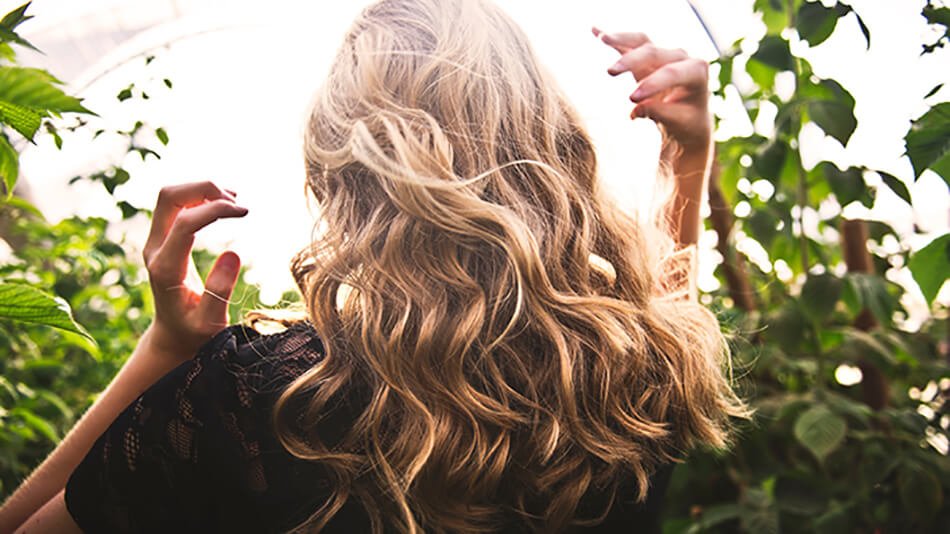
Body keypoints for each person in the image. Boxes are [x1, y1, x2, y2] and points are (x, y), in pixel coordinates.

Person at [0, 0, 747, 531]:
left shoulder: (258, 400)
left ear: (340, 166)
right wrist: (688, 159)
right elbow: (660, 305)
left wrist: (169, 351)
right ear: (545, 135)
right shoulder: (638, 370)